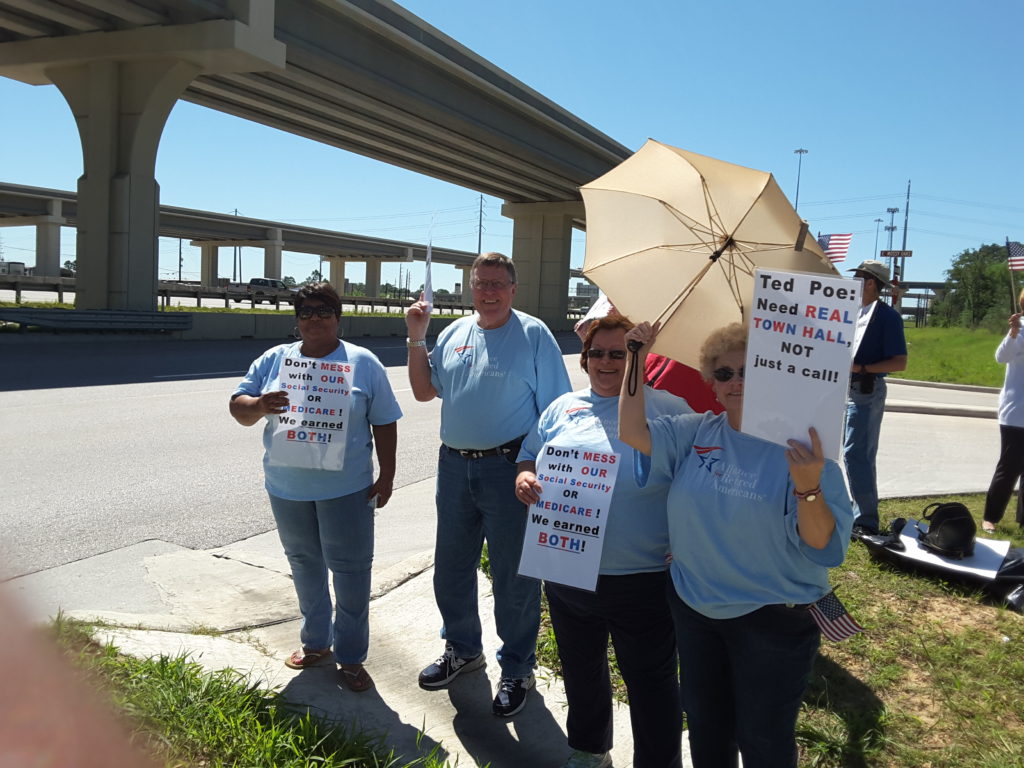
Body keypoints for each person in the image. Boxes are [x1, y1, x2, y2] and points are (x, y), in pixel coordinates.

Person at [618, 320, 853, 768]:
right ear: (710, 382)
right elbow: (633, 432)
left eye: (749, 371)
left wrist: (808, 487)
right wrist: (635, 358)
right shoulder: (697, 432)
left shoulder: (805, 447)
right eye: (724, 373)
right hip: (695, 607)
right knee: (706, 727)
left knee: (763, 738)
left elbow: (822, 543)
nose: (736, 382)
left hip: (771, 620)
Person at [516, 314, 688, 768]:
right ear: (584, 359)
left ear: (641, 357)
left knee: (650, 680)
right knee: (581, 669)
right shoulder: (562, 407)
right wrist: (526, 477)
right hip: (567, 570)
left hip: (642, 576)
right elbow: (528, 455)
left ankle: (658, 761)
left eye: (621, 352)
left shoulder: (669, 408)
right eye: (599, 353)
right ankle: (590, 749)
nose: (608, 362)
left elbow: (696, 481)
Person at [405, 252, 571, 717]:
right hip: (454, 466)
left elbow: (555, 412)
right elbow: (423, 390)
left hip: (509, 467)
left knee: (514, 577)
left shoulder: (534, 335)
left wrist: (532, 465)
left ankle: (517, 667)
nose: (489, 292)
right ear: (471, 288)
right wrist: (415, 338)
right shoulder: (455, 332)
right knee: (451, 567)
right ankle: (463, 649)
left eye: (498, 284)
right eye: (481, 284)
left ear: (513, 289)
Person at [230, 282, 401, 693]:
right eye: (305, 311)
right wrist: (259, 405)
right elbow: (239, 407)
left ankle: (352, 655)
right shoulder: (275, 360)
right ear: (296, 319)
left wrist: (387, 475)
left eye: (323, 310)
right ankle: (316, 643)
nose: (314, 319)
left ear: (338, 317)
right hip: (287, 488)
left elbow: (384, 421)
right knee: (304, 566)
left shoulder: (363, 362)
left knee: (351, 571)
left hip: (347, 488)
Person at [845, 260, 908, 535]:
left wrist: (861, 368)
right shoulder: (850, 311)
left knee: (857, 454)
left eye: (858, 278)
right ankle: (853, 512)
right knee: (846, 453)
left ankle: (866, 521)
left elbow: (899, 362)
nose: (854, 282)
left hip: (865, 391)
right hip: (842, 388)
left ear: (871, 283)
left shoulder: (886, 317)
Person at [982, 288, 1024, 533]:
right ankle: (990, 517)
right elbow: (1001, 356)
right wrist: (1014, 333)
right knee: (1009, 467)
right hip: (1017, 411)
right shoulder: (1019, 328)